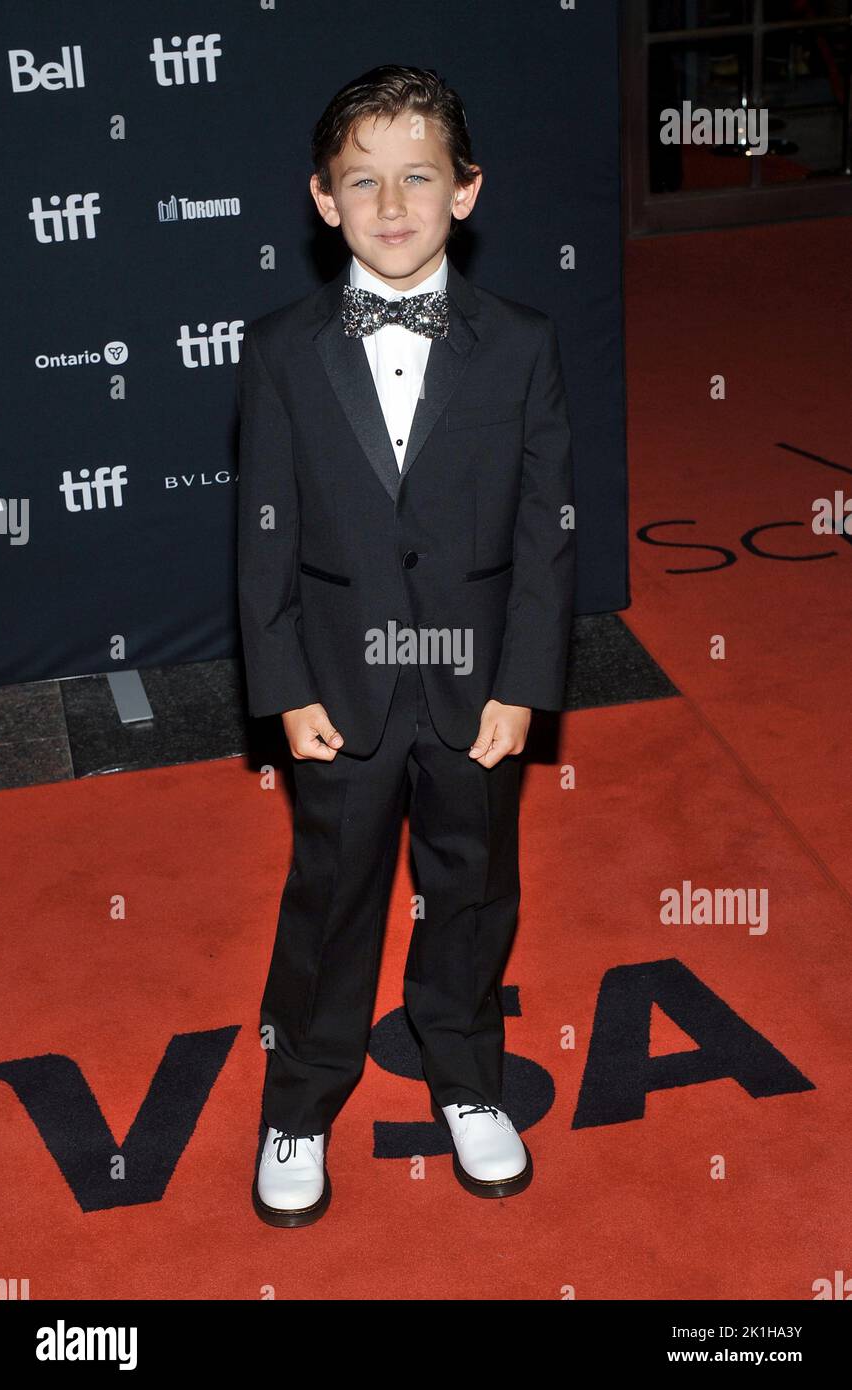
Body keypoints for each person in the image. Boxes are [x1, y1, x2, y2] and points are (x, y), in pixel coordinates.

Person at [236, 64, 576, 1227]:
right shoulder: (281, 349)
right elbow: (261, 535)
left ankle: (468, 1076)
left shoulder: (522, 343)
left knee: (471, 885)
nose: (391, 205)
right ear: (322, 201)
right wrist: (281, 686)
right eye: (362, 182)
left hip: (476, 685)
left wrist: (525, 684)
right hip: (337, 687)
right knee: (329, 896)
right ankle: (299, 1099)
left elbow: (544, 537)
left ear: (465, 192)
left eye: (418, 177)